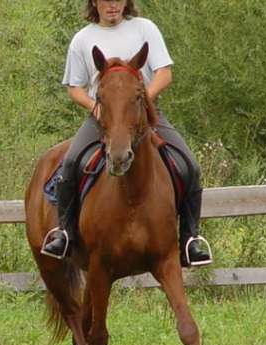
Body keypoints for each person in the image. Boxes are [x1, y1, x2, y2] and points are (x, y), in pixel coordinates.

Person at [41, 0, 211, 267]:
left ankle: (190, 240)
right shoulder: (83, 40)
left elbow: (164, 74)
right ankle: (65, 232)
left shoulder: (145, 29)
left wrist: (142, 104)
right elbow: (74, 87)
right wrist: (94, 106)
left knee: (189, 165)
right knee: (71, 164)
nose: (113, 5)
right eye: (106, 0)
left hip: (143, 115)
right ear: (94, 3)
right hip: (103, 117)